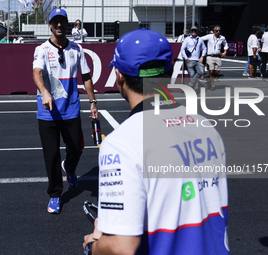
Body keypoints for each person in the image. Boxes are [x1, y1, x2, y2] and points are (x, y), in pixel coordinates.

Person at [83, 28, 229, 255]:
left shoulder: (121, 143)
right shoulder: (206, 127)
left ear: (119, 76)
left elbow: (122, 247)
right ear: (169, 72)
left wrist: (94, 245)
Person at [33, 8, 98, 214]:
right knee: (51, 155)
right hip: (48, 112)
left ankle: (69, 168)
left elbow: (86, 76)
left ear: (67, 24)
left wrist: (93, 102)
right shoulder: (41, 49)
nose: (59, 25)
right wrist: (44, 91)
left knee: (77, 148)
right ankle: (55, 195)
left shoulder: (76, 49)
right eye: (56, 22)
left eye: (63, 21)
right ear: (50, 25)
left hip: (71, 110)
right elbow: (36, 73)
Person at [201, 25, 228, 91]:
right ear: (214, 31)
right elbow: (200, 39)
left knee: (217, 72)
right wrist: (202, 48)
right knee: (211, 71)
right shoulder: (209, 36)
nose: (218, 32)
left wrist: (224, 52)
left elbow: (226, 45)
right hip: (210, 56)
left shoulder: (222, 38)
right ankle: (212, 85)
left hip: (218, 56)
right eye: (217, 31)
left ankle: (210, 81)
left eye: (219, 31)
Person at [181, 26, 207, 93]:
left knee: (201, 71)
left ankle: (190, 85)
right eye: (192, 30)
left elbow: (205, 48)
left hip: (198, 60)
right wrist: (186, 58)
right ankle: (196, 88)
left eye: (195, 30)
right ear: (190, 31)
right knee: (192, 74)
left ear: (197, 31)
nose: (193, 32)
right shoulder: (187, 39)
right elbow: (182, 49)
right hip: (190, 60)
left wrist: (202, 56)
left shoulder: (200, 39)